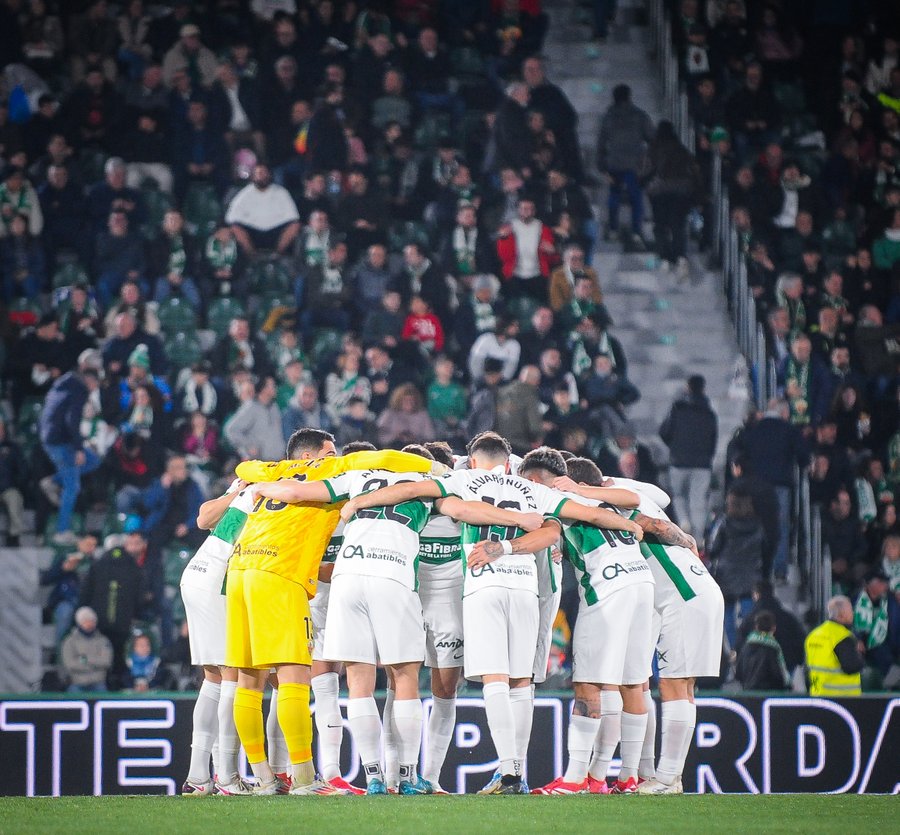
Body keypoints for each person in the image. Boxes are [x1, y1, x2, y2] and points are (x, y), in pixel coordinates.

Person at [340, 432, 645, 795]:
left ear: (471, 461)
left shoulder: (463, 480)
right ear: (507, 462)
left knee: (495, 680)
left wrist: (360, 501)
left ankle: (507, 772)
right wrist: (630, 525)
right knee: (521, 682)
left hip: (483, 584)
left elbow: (407, 492)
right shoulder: (530, 488)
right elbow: (584, 514)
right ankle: (515, 770)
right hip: (525, 587)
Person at [222, 432, 444, 795]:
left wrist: (260, 481)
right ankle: (306, 780)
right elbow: (385, 457)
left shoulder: (271, 469)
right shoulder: (333, 469)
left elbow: (243, 465)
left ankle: (263, 778)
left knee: (248, 680)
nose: (335, 456)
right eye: (329, 451)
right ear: (313, 455)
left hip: (241, 569)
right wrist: (434, 466)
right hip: (281, 574)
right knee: (295, 677)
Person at [552, 459, 722, 796]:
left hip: (680, 595)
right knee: (654, 685)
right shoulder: (632, 495)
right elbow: (662, 497)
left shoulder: (615, 505)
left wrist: (586, 490)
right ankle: (651, 774)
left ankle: (667, 778)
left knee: (672, 686)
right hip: (689, 591)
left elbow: (652, 522)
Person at [38, 349, 103, 546]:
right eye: (94, 386)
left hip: (51, 437)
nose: (93, 390)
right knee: (72, 486)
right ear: (90, 381)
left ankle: (52, 481)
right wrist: (78, 449)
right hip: (61, 442)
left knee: (94, 460)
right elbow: (71, 420)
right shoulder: (79, 388)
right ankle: (62, 530)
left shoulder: (65, 382)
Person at [659, 374, 718, 543]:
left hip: (678, 461)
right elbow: (713, 439)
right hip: (702, 464)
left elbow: (664, 432)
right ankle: (698, 539)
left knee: (678, 495)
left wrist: (675, 447)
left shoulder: (678, 409)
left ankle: (684, 521)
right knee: (698, 500)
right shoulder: (709, 413)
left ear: (688, 387)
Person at [596, 84, 655, 247]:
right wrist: (649, 160)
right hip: (635, 166)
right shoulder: (640, 115)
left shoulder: (608, 116)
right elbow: (652, 138)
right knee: (636, 198)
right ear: (629, 96)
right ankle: (636, 231)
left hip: (614, 164)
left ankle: (614, 228)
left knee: (614, 196)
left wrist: (602, 167)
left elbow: (601, 143)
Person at [643, 120, 700, 276]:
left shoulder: (653, 149)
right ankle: (680, 256)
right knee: (678, 224)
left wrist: (644, 184)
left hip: (660, 191)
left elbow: (646, 171)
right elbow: (694, 170)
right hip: (682, 191)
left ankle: (665, 257)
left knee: (660, 225)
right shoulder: (681, 149)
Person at [224, 163, 300, 257]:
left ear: (269, 174)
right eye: (258, 173)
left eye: (264, 173)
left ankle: (277, 254)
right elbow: (231, 218)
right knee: (235, 228)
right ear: (253, 176)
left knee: (294, 226)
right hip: (253, 232)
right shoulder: (244, 194)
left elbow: (293, 217)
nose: (261, 176)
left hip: (275, 232)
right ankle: (252, 256)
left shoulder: (281, 192)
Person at [805, 595, 864, 697]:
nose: (852, 613)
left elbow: (806, 669)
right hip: (843, 698)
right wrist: (859, 654)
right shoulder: (842, 636)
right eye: (850, 610)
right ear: (842, 615)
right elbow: (852, 666)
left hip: (818, 695)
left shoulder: (813, 635)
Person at [224, 376, 285, 462]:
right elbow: (231, 430)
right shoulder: (251, 407)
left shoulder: (274, 407)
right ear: (263, 388)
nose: (275, 388)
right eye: (272, 385)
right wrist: (249, 445)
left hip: (277, 461)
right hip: (260, 462)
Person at [59, 606, 113, 693]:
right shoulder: (69, 642)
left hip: (98, 683)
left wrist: (84, 659)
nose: (89, 624)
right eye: (86, 621)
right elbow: (70, 664)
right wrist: (94, 664)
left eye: (92, 621)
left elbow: (106, 661)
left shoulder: (103, 641)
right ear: (79, 623)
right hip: (77, 684)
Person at [735, 611, 791, 691]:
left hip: (748, 694)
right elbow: (777, 675)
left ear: (756, 627)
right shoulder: (773, 648)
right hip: (767, 694)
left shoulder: (746, 646)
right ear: (773, 628)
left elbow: (738, 673)